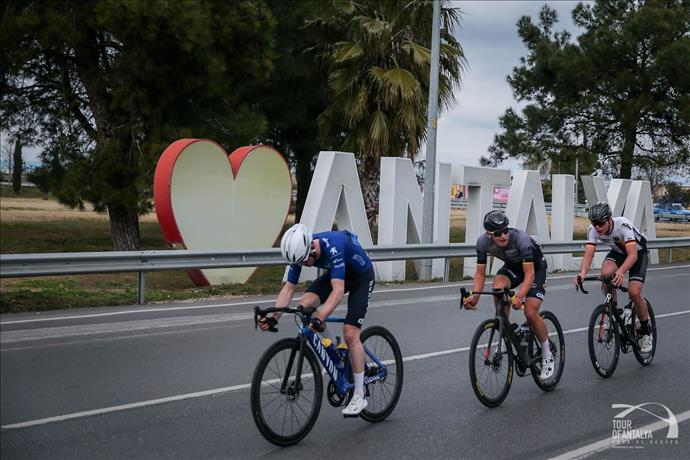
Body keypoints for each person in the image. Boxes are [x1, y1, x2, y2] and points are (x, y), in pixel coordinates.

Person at [259, 223, 375, 417]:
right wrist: (274, 317)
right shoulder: (299, 252)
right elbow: (288, 289)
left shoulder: (333, 246)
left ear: (312, 248)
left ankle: (359, 395)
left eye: (305, 262)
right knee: (304, 306)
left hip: (361, 277)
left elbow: (338, 292)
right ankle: (333, 345)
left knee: (350, 333)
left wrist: (321, 317)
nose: (304, 265)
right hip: (339, 274)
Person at [463, 211, 554, 380]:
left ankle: (547, 353)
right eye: (498, 234)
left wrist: (520, 296)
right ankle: (506, 329)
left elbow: (530, 275)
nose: (504, 236)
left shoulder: (521, 239)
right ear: (488, 235)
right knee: (497, 286)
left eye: (506, 231)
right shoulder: (482, 243)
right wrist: (474, 297)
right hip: (513, 267)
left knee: (530, 312)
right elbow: (480, 274)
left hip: (535, 268)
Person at [574, 202, 652, 353]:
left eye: (600, 223)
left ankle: (646, 332)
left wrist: (622, 271)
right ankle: (615, 311)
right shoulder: (593, 229)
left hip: (637, 253)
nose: (597, 227)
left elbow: (633, 255)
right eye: (594, 223)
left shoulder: (623, 225)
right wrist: (582, 272)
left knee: (634, 292)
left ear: (609, 220)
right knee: (605, 275)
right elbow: (589, 252)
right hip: (619, 252)